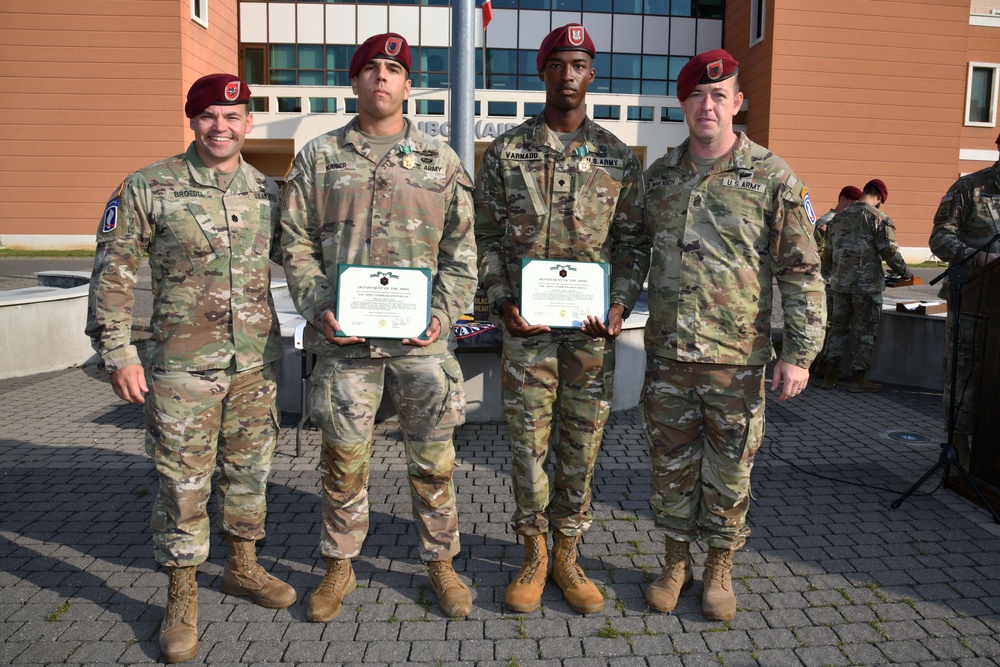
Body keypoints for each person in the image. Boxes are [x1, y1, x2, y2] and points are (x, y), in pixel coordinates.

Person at [86, 74, 295, 664]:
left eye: (232, 116)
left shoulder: (270, 192)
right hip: (180, 369)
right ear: (193, 121)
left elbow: (307, 260)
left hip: (254, 364)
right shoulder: (149, 186)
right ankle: (181, 594)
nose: (220, 127)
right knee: (182, 485)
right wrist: (119, 353)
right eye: (208, 116)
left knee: (250, 473)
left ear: (249, 122)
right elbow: (115, 271)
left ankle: (243, 569)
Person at [280, 33, 478, 622]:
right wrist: (320, 306)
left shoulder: (440, 161)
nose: (383, 79)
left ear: (408, 85)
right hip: (345, 345)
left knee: (434, 461)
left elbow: (463, 252)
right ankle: (338, 567)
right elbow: (294, 243)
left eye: (394, 69)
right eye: (372, 69)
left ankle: (441, 565)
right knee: (343, 461)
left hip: (422, 345)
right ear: (355, 82)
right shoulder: (319, 157)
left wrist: (443, 313)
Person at [641, 49, 825, 621]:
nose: (707, 105)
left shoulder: (772, 177)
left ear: (738, 103)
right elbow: (628, 253)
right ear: (683, 103)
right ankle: (675, 562)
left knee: (729, 471)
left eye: (719, 95)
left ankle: (720, 568)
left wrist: (799, 354)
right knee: (671, 468)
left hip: (736, 361)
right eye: (697, 94)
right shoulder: (661, 178)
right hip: (669, 356)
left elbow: (801, 271)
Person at [474, 23, 650, 615]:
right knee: (527, 449)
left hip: (590, 339)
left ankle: (568, 553)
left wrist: (620, 304)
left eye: (578, 64)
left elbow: (632, 244)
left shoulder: (618, 157)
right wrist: (503, 303)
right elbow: (486, 238)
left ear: (591, 74)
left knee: (580, 448)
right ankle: (533, 554)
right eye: (558, 63)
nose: (568, 74)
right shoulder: (507, 151)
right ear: (543, 72)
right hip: (527, 336)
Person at [928, 131, 1000, 473]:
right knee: (964, 373)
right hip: (973, 299)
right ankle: (958, 444)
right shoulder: (970, 188)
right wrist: (976, 257)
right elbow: (940, 238)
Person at [821, 179, 911, 392]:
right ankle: (858, 379)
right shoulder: (879, 218)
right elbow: (889, 251)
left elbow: (828, 253)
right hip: (866, 287)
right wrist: (906, 273)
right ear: (879, 198)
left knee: (838, 329)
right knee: (865, 332)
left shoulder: (838, 218)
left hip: (839, 284)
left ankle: (829, 377)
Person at [815, 185, 862, 277]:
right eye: (853, 204)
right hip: (827, 278)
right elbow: (817, 252)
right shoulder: (827, 222)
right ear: (842, 199)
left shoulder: (847, 221)